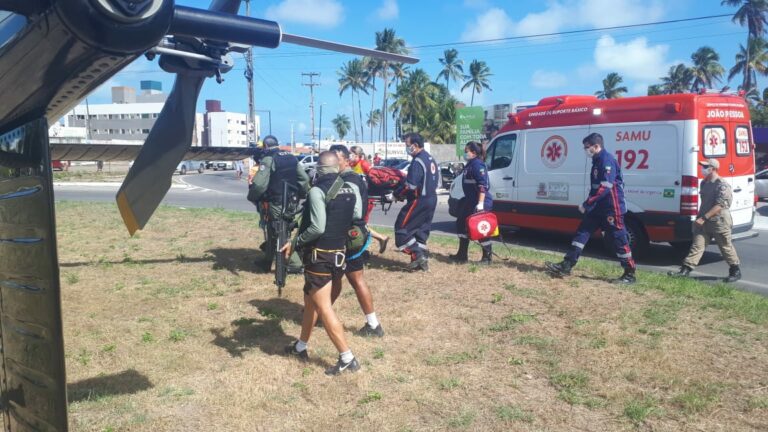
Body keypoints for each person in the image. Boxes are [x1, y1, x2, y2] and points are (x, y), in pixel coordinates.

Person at [282, 151, 361, 375]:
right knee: (311, 302)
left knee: (324, 307)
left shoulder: (317, 191)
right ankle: (300, 347)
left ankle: (347, 357)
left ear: (319, 169)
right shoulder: (351, 187)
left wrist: (296, 242)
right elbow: (357, 214)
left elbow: (317, 227)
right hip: (339, 254)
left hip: (320, 256)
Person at [545, 133, 636, 284]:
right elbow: (595, 188)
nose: (585, 150)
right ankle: (567, 264)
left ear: (596, 146)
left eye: (587, 147)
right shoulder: (597, 160)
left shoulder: (606, 160)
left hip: (611, 208)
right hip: (597, 207)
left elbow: (605, 187)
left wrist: (587, 203)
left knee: (618, 238)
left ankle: (629, 273)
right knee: (582, 233)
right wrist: (591, 204)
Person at [329, 144, 384, 337]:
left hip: (348, 236)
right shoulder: (343, 179)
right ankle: (321, 311)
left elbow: (355, 212)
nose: (333, 162)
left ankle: (373, 324)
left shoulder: (349, 181)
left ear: (346, 160)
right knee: (336, 277)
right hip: (349, 234)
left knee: (353, 279)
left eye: (336, 159)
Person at [668, 158, 741, 282]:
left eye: (706, 167)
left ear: (713, 169)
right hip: (703, 221)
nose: (703, 169)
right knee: (697, 246)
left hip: (719, 221)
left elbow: (720, 205)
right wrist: (701, 217)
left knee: (725, 246)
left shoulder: (722, 185)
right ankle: (685, 270)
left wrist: (704, 217)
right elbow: (705, 202)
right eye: (703, 166)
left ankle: (735, 270)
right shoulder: (704, 183)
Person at [248, 135, 309, 273]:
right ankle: (267, 261)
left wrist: (252, 197)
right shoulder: (291, 157)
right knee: (274, 230)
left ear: (265, 146)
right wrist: (301, 194)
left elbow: (259, 185)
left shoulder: (268, 159)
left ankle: (295, 264)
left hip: (276, 202)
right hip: (292, 201)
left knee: (279, 231)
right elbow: (304, 179)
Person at [390, 132, 439, 271]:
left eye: (407, 145)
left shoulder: (417, 161)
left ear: (415, 145)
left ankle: (418, 255)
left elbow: (410, 185)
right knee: (421, 232)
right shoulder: (430, 158)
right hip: (431, 198)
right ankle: (420, 263)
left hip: (419, 200)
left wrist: (396, 195)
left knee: (402, 229)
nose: (406, 148)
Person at [450, 141, 493, 264]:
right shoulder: (470, 164)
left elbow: (482, 186)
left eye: (466, 151)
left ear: (473, 153)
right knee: (461, 224)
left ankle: (487, 258)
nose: (465, 153)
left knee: (481, 228)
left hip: (480, 202)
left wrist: (480, 204)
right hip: (470, 201)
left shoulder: (478, 165)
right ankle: (462, 255)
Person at [349, 145, 390, 253]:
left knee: (361, 224)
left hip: (366, 199)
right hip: (357, 198)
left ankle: (369, 245)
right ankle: (380, 238)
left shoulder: (364, 164)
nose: (349, 156)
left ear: (357, 155)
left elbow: (374, 178)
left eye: (351, 154)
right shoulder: (351, 165)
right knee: (359, 223)